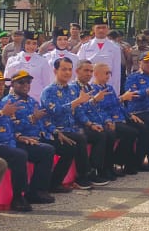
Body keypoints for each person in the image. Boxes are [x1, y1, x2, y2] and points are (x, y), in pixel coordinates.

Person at [0, 70, 54, 212]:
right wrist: (1, 115)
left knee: (45, 150)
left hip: (10, 142)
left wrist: (19, 137)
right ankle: (18, 197)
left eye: (3, 84)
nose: (1, 87)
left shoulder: (0, 103)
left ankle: (36, 191)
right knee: (19, 155)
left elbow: (9, 127)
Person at [40, 57, 102, 189]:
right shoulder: (48, 91)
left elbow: (78, 111)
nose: (67, 73)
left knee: (98, 133)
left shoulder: (72, 90)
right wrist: (76, 102)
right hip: (56, 130)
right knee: (79, 139)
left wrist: (90, 124)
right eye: (64, 69)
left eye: (69, 69)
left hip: (72, 128)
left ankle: (94, 171)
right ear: (55, 71)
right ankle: (83, 175)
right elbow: (56, 111)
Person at [77, 17, 124, 94]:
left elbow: (116, 72)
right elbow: (79, 68)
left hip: (107, 85)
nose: (101, 30)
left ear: (108, 29)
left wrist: (116, 92)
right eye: (98, 28)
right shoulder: (85, 47)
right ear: (93, 29)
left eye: (104, 27)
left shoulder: (115, 47)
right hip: (89, 85)